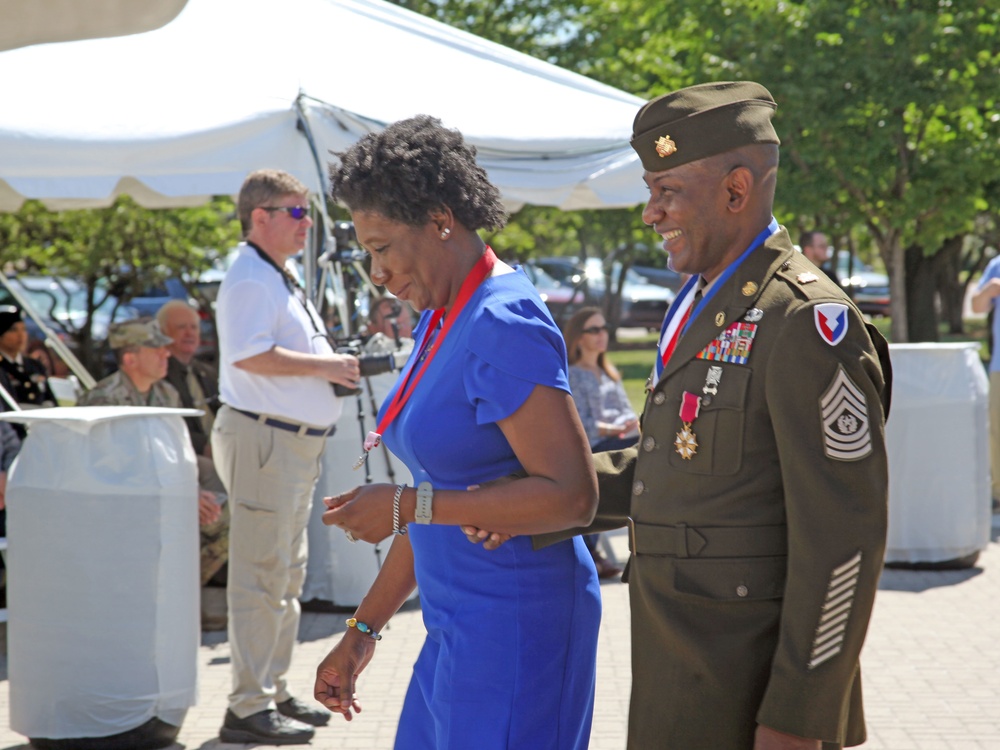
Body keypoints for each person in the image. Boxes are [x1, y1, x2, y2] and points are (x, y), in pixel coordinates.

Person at [480, 82, 893, 749]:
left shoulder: (804, 322)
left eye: (666, 190)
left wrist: (796, 716)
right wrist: (534, 497)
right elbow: (677, 466)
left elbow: (844, 539)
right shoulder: (706, 298)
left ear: (735, 191)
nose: (651, 214)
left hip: (750, 686)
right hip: (682, 665)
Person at [314, 115, 601, 750]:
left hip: (517, 621)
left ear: (441, 220)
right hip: (456, 622)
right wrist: (362, 632)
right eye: (366, 252)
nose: (376, 272)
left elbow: (574, 497)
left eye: (382, 248)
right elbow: (441, 494)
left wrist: (402, 505)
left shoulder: (503, 319)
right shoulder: (442, 316)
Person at [211, 168, 361, 745]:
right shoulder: (251, 275)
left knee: (286, 572)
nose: (307, 224)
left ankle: (269, 691)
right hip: (265, 439)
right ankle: (247, 706)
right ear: (260, 217)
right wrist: (329, 368)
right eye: (296, 212)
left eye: (307, 212)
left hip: (285, 441)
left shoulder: (277, 272)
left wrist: (329, 366)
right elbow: (249, 356)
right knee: (261, 576)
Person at [78, 318, 230, 598]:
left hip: (165, 497)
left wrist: (191, 492)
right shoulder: (102, 400)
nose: (166, 354)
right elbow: (110, 472)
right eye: (156, 349)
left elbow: (174, 454)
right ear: (129, 358)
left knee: (228, 518)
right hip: (122, 507)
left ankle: (178, 595)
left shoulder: (165, 393)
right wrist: (180, 497)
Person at [563, 305, 637, 578]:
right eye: (593, 329)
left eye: (604, 328)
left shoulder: (609, 372)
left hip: (620, 440)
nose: (601, 334)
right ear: (578, 337)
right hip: (593, 447)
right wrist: (617, 428)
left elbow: (628, 411)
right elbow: (582, 424)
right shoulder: (573, 374)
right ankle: (591, 553)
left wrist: (629, 424)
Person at [158, 299, 219, 458]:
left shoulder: (207, 372)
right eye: (181, 327)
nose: (189, 333)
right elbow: (166, 427)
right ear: (164, 333)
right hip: (184, 453)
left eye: (194, 327)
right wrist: (204, 446)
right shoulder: (158, 375)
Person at [971, 259, 1000, 512]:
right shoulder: (997, 265)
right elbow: (977, 307)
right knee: (997, 428)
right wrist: (989, 290)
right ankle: (998, 493)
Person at [0, 305, 56, 421]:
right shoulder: (2, 367)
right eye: (13, 330)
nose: (21, 335)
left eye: (23, 329)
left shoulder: (34, 365)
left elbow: (50, 399)